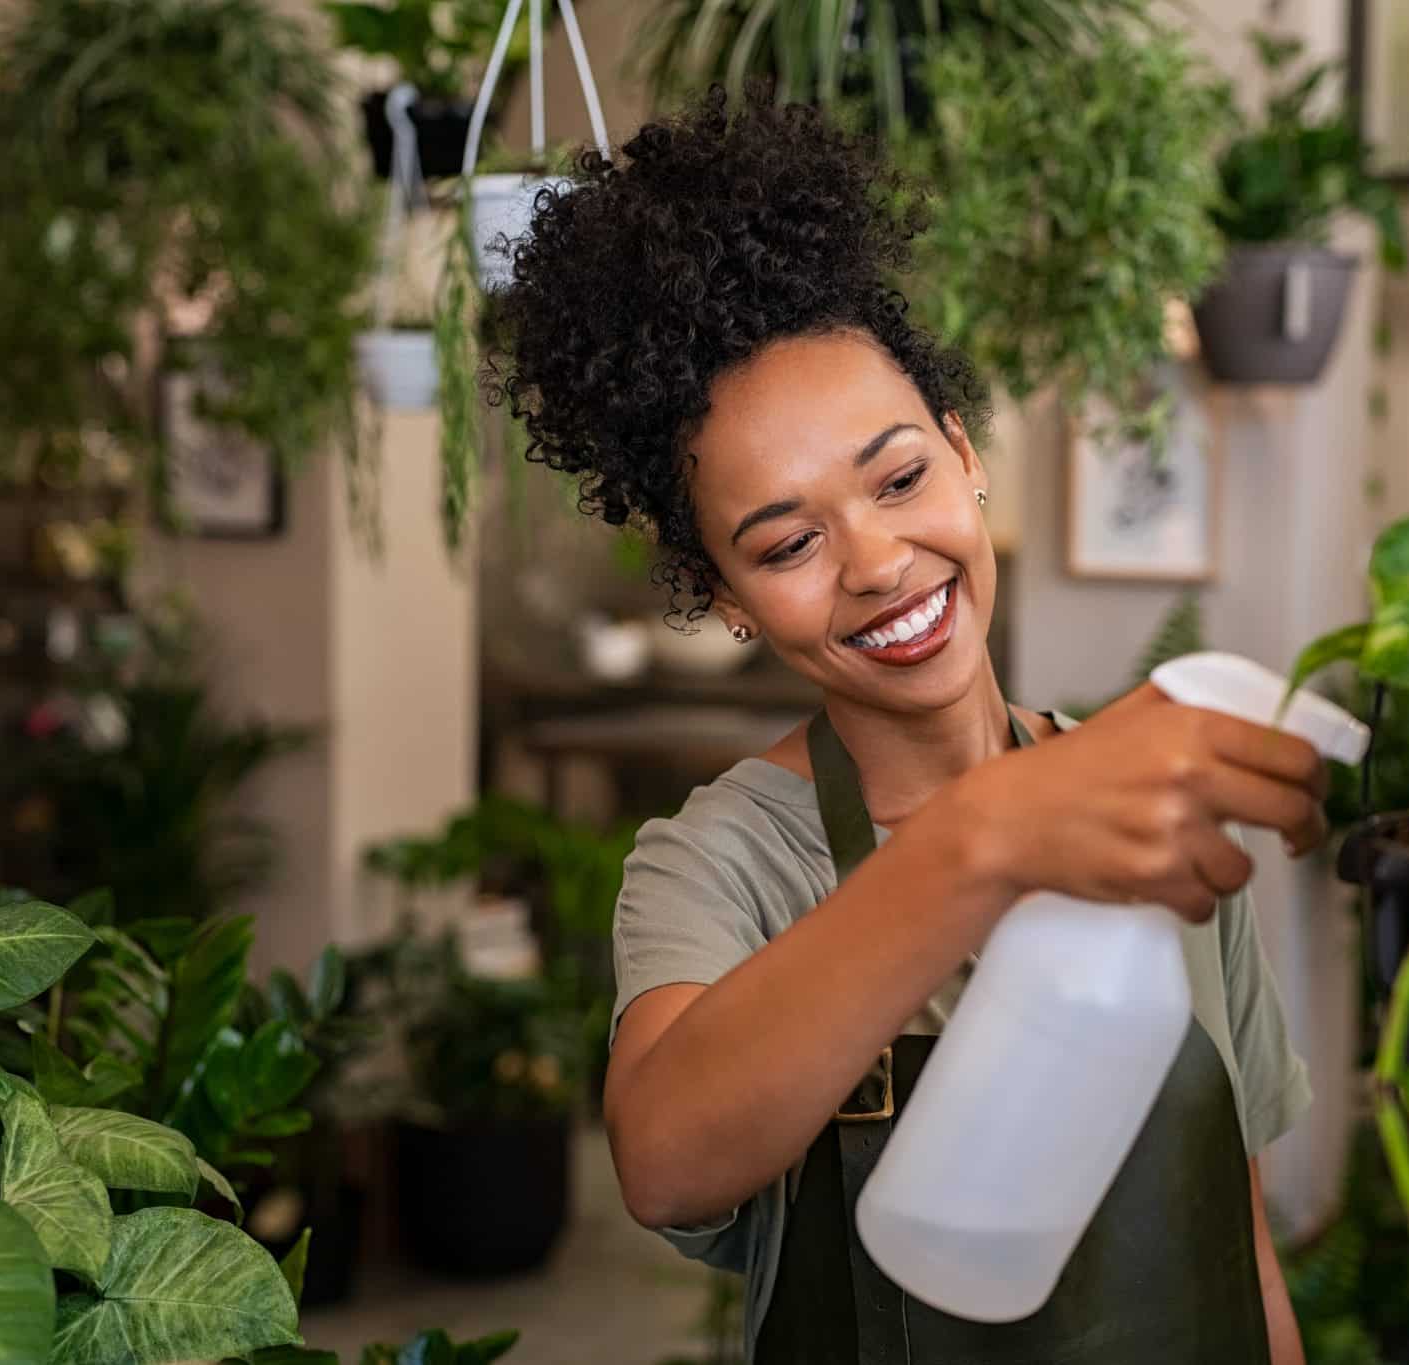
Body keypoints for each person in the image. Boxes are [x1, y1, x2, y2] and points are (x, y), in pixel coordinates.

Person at [484, 86, 1329, 1365]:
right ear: (723, 595)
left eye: (897, 478)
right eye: (787, 542)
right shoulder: (722, 863)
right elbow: (663, 1163)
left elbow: (1238, 1240)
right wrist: (975, 840)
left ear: (962, 449)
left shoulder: (1149, 805)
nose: (876, 562)